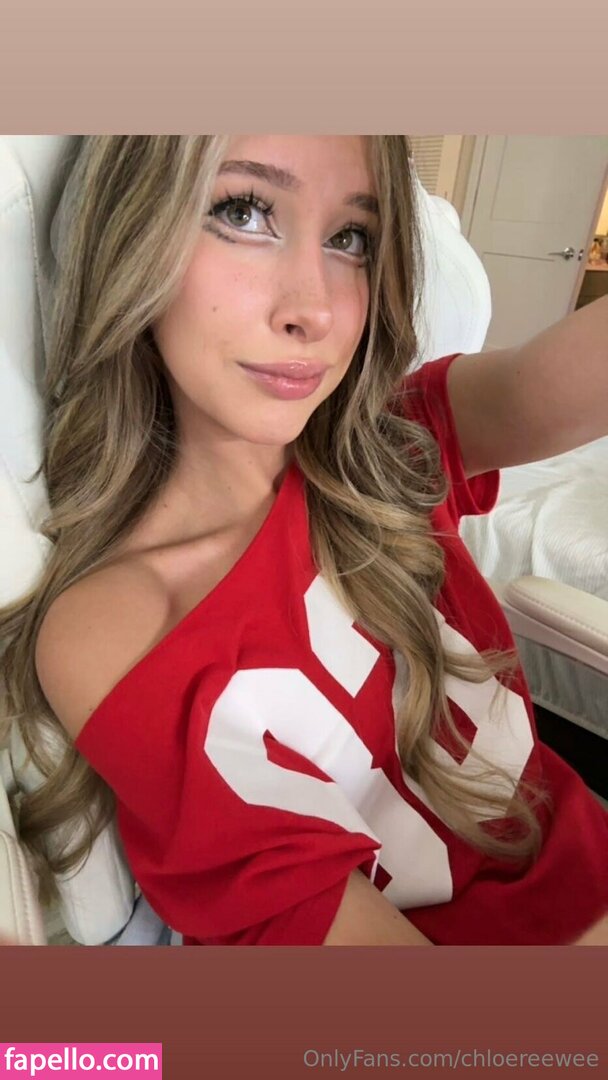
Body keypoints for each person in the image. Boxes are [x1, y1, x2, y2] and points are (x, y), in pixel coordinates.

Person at [1, 135, 606, 947]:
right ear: (130, 232)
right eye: (243, 211)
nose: (315, 310)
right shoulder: (120, 627)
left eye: (350, 237)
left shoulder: (397, 444)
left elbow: (556, 382)